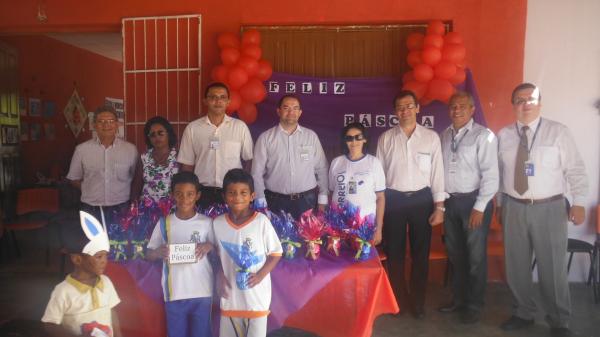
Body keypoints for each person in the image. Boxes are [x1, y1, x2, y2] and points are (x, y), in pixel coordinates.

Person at [497, 83, 588, 337]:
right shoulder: (503, 135)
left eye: (531, 99)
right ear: (512, 104)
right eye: (519, 99)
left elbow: (576, 169)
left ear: (540, 103)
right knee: (516, 266)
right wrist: (500, 205)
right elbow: (500, 175)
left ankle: (559, 321)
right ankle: (523, 313)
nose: (525, 104)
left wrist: (579, 202)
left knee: (552, 268)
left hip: (550, 208)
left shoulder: (558, 132)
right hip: (514, 207)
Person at [376, 90, 445, 319]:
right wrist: (380, 209)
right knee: (394, 254)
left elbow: (437, 174)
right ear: (395, 112)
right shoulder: (386, 138)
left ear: (417, 108)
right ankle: (398, 302)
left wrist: (439, 207)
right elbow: (379, 178)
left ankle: (418, 303)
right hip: (393, 200)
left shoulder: (431, 138)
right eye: (400, 107)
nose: (404, 111)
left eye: (408, 106)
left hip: (421, 200)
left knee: (420, 254)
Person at [437, 91, 499, 324]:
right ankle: (459, 300)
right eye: (453, 106)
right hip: (451, 203)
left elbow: (491, 175)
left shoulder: (484, 136)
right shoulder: (444, 135)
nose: (457, 110)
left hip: (474, 203)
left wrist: (480, 206)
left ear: (472, 109)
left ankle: (474, 304)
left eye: (463, 106)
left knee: (475, 257)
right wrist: (441, 204)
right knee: (456, 255)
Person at [213, 169, 282, 337]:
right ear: (224, 196)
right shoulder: (217, 223)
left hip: (256, 300)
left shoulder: (261, 222)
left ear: (252, 196)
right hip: (230, 300)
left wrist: (260, 276)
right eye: (232, 193)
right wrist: (219, 274)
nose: (237, 198)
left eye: (243, 193)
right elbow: (215, 254)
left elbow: (276, 253)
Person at [146, 171, 215, 337]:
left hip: (202, 290)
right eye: (179, 194)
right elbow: (149, 253)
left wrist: (208, 246)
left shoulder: (206, 222)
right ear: (172, 195)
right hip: (175, 291)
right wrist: (157, 252)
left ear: (197, 195)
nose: (184, 199)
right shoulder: (164, 223)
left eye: (190, 194)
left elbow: (218, 248)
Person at [42, 211, 121, 337]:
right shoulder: (63, 291)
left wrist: (118, 334)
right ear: (77, 259)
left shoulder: (106, 282)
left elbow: (112, 311)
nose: (104, 261)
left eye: (106, 255)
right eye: (98, 256)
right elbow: (49, 324)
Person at [252, 94, 329, 219]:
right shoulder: (265, 138)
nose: (291, 112)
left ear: (300, 112)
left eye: (295, 108)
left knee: (308, 238)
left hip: (307, 201)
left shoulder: (311, 136)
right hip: (275, 201)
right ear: (279, 111)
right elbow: (256, 173)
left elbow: (322, 168)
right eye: (286, 108)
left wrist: (323, 198)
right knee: (277, 238)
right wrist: (261, 202)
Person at [178, 82, 253, 208]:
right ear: (205, 101)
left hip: (233, 192)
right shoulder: (193, 128)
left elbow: (249, 160)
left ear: (228, 101)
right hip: (202, 192)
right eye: (213, 97)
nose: (217, 101)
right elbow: (187, 165)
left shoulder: (240, 127)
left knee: (230, 227)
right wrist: (190, 192)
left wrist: (243, 187)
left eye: (222, 97)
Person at [66, 105, 138, 226]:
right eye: (101, 121)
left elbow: (136, 178)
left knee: (119, 243)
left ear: (117, 125)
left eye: (110, 121)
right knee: (93, 244)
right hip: (91, 208)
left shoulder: (130, 150)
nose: (106, 125)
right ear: (94, 125)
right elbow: (73, 178)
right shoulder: (81, 150)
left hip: (121, 207)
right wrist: (89, 189)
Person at [328, 122, 386, 244]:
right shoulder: (336, 162)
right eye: (349, 138)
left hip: (364, 225)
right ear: (345, 141)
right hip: (338, 224)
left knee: (362, 260)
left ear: (364, 139)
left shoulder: (374, 162)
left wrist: (379, 228)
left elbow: (380, 197)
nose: (353, 142)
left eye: (358, 137)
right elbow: (333, 192)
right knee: (338, 259)